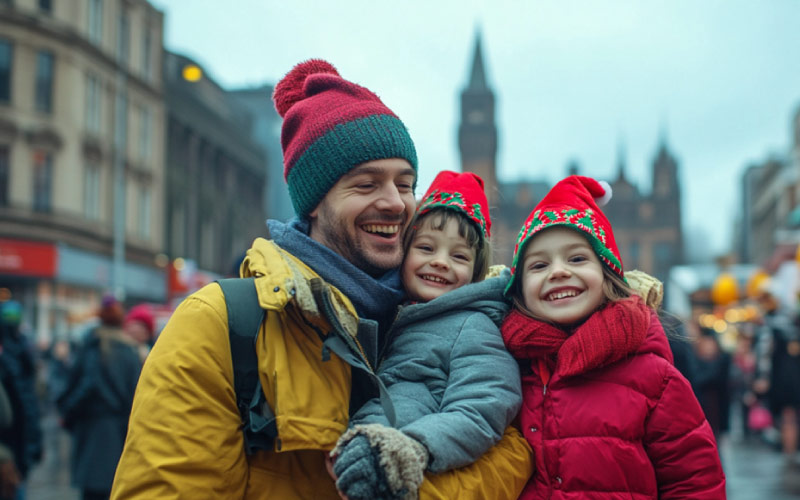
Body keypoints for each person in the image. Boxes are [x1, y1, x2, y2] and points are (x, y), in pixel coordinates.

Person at [110, 59, 530, 499]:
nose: (396, 203)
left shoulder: (463, 317)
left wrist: (396, 474)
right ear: (313, 202)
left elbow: (517, 454)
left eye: (405, 185)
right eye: (366, 184)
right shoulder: (215, 325)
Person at [501, 175, 726, 498]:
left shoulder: (655, 379)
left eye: (577, 258)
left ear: (608, 274)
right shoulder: (507, 363)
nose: (559, 271)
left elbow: (695, 482)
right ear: (518, 288)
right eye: (538, 265)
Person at [329, 171, 531, 499]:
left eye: (459, 256)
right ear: (403, 253)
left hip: (406, 475)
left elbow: (481, 409)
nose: (439, 262)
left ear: (476, 273)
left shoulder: (474, 327)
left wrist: (411, 447)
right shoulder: (388, 314)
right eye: (426, 247)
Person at [57, 296, 142, 500]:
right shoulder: (129, 350)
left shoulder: (93, 345)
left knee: (93, 492)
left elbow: (81, 384)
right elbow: (137, 396)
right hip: (118, 432)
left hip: (93, 430)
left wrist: (68, 412)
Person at [0, 301, 42, 500]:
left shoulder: (22, 350)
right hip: (11, 446)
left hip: (17, 443)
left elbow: (28, 404)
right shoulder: (21, 350)